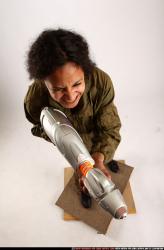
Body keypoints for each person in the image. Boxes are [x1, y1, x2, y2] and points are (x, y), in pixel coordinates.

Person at [24, 28, 121, 208]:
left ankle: (108, 159)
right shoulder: (35, 101)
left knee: (104, 155)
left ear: (85, 70)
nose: (70, 96)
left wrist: (99, 159)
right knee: (83, 175)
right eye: (59, 89)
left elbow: (110, 127)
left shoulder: (101, 83)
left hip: (96, 131)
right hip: (71, 143)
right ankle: (84, 192)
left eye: (77, 83)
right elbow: (38, 127)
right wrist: (61, 138)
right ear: (43, 82)